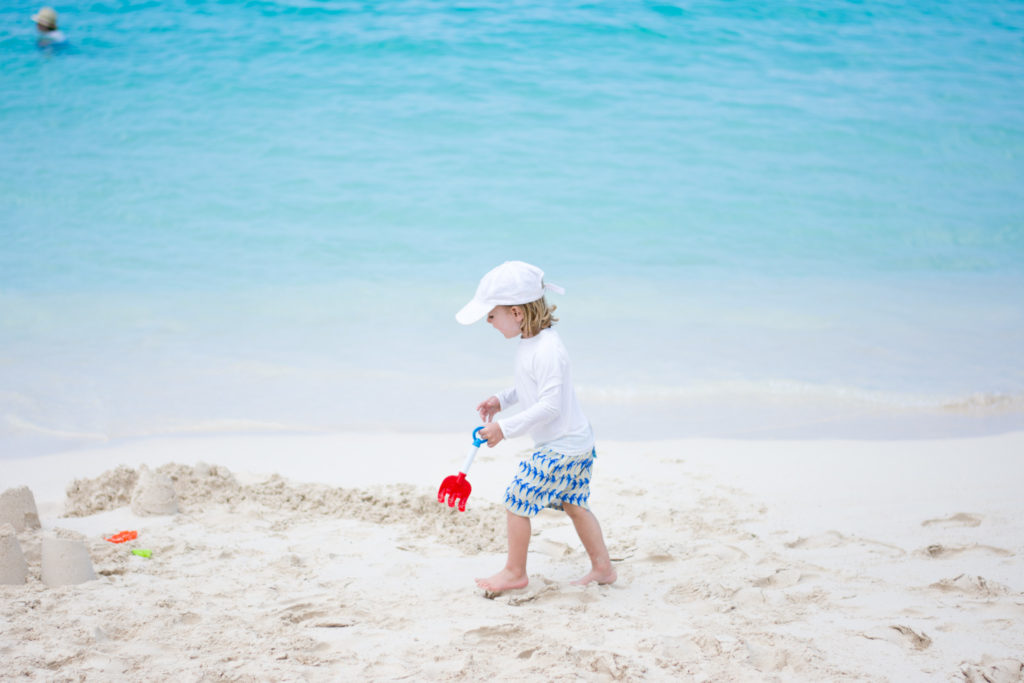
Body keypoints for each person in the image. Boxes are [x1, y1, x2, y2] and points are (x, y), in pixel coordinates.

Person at [456, 261, 617, 592]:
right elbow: (529, 387)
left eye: (491, 315)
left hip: (563, 446)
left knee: (516, 500)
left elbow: (549, 405)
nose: (488, 322)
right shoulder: (532, 342)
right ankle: (603, 568)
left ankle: (515, 572)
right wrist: (502, 400)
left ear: (516, 313)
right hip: (574, 441)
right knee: (575, 504)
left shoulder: (548, 350)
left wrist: (504, 428)